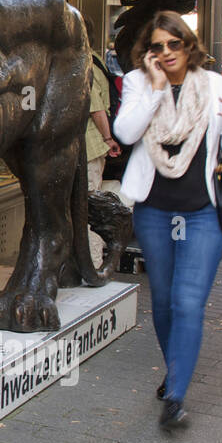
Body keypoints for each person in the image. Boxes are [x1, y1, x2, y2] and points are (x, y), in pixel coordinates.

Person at [113, 11, 222, 431]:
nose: (166, 52)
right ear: (148, 52)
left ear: (189, 46)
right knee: (165, 303)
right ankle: (175, 371)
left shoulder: (214, 85)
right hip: (154, 210)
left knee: (189, 303)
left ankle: (176, 398)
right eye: (157, 46)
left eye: (174, 44)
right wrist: (154, 90)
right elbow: (126, 133)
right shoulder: (138, 82)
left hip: (203, 211)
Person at [85, 26, 121, 265]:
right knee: (89, 200)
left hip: (90, 143)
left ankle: (93, 262)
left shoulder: (82, 63)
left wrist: (108, 138)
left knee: (87, 205)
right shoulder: (96, 57)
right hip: (95, 144)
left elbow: (96, 107)